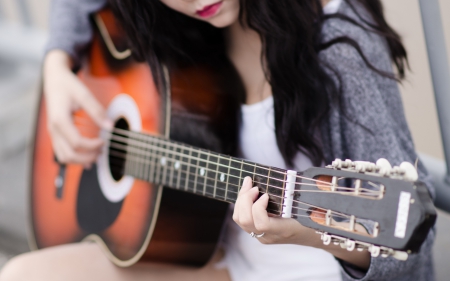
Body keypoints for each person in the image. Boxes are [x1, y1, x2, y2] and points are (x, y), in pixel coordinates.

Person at [0, 0, 435, 280]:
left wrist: (307, 233)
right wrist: (56, 66)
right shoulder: (182, 25)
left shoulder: (340, 46)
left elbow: (413, 255)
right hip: (217, 258)